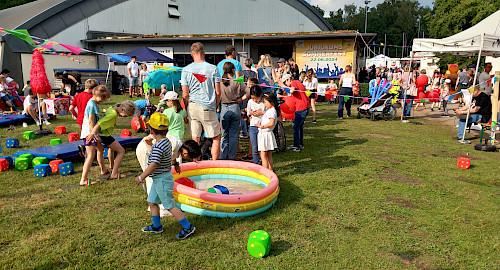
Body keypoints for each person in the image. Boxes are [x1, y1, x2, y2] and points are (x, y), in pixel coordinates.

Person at [134, 113, 196, 239]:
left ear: (151, 129)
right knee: (151, 202)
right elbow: (165, 155)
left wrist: (141, 177)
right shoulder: (166, 142)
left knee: (169, 206)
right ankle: (157, 226)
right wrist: (152, 145)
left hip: (161, 179)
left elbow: (153, 165)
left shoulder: (158, 146)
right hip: (161, 179)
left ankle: (188, 227)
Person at [181, 42, 221, 160]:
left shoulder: (185, 70)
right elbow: (218, 92)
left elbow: (185, 94)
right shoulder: (213, 69)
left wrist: (186, 108)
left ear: (192, 54)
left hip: (192, 106)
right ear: (204, 53)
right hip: (208, 106)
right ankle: (214, 164)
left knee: (195, 138)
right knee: (216, 137)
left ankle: (195, 163)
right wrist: (215, 105)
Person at [90, 95, 137, 180]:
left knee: (104, 150)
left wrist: (112, 123)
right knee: (121, 151)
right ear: (122, 109)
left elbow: (104, 117)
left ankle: (105, 169)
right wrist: (93, 134)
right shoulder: (113, 114)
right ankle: (114, 173)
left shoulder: (112, 109)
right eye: (125, 115)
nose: (124, 117)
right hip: (104, 135)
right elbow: (100, 123)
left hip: (103, 134)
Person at [80, 85, 112, 186]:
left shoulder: (93, 103)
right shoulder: (92, 105)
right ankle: (83, 179)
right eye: (102, 98)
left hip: (91, 132)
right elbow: (90, 122)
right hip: (89, 133)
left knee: (101, 149)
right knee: (90, 155)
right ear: (97, 95)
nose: (103, 100)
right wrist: (95, 134)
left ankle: (103, 169)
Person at [219, 62, 247, 160]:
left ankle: (223, 155)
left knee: (224, 133)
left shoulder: (220, 82)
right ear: (233, 70)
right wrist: (241, 99)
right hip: (235, 107)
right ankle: (231, 157)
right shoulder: (237, 80)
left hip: (224, 108)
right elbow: (248, 91)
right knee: (234, 135)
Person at [282, 74, 310, 152]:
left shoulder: (294, 83)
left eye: (285, 82)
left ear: (289, 79)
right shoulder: (299, 82)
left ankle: (296, 146)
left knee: (295, 126)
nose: (286, 84)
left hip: (301, 108)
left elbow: (291, 91)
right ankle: (300, 144)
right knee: (299, 126)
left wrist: (283, 87)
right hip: (305, 107)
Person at [255, 92, 279, 170]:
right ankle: (270, 170)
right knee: (268, 154)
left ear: (271, 101)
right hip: (267, 134)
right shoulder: (271, 110)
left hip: (265, 134)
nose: (264, 104)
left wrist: (262, 126)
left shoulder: (271, 111)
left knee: (263, 155)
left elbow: (271, 123)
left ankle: (265, 172)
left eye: (265, 102)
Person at [246, 84, 266, 164]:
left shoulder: (264, 102)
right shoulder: (250, 102)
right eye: (252, 98)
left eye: (256, 98)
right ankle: (256, 163)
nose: (254, 100)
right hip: (253, 125)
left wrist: (261, 113)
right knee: (254, 147)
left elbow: (269, 113)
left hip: (262, 126)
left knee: (262, 147)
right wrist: (251, 113)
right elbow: (248, 112)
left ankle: (263, 161)